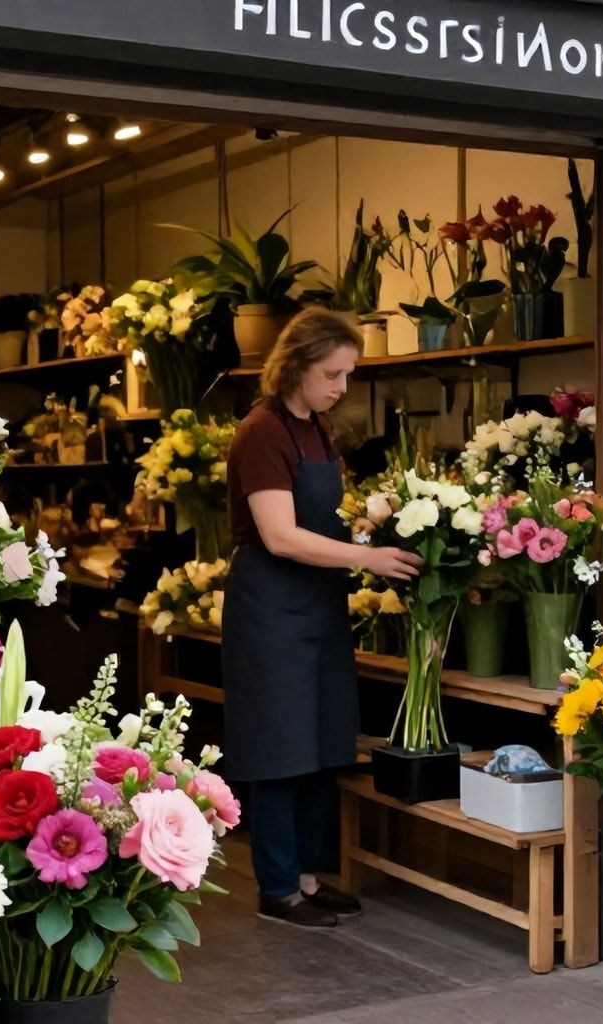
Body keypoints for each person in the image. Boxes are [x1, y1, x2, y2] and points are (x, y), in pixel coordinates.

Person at [222, 310, 422, 929]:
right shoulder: (263, 432)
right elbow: (281, 536)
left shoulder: (317, 429)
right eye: (332, 373)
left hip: (318, 604)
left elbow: (322, 520)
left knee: (321, 740)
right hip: (272, 607)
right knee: (281, 745)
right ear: (296, 365)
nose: (341, 386)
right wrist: (368, 556)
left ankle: (308, 877)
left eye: (348, 374)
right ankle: (276, 887)